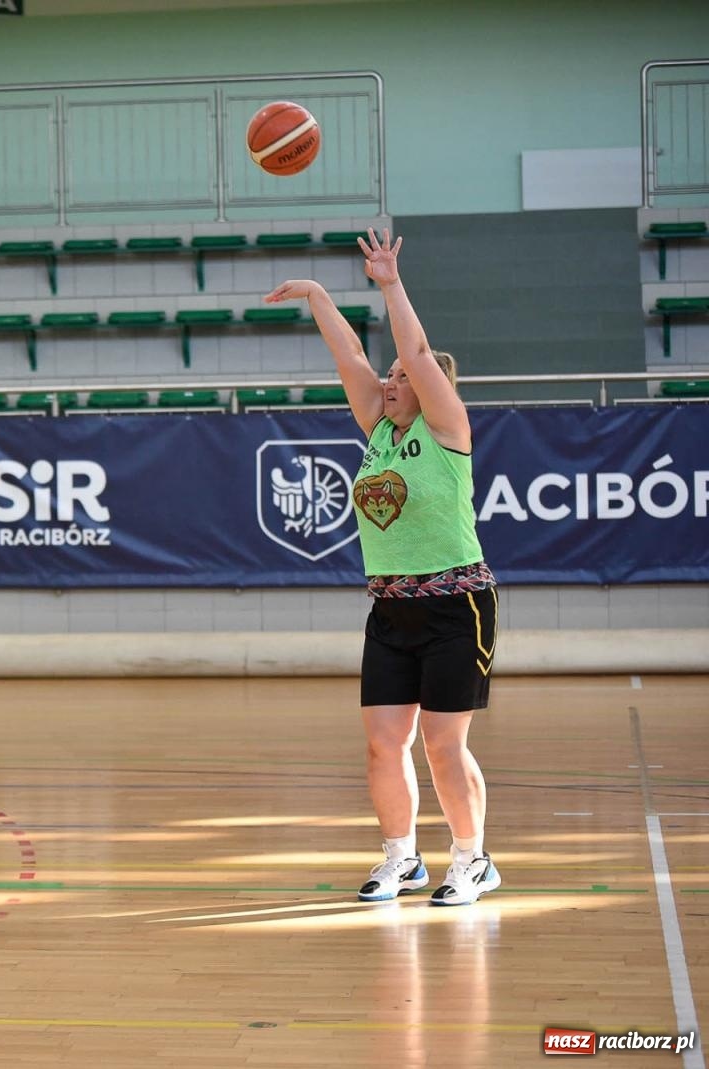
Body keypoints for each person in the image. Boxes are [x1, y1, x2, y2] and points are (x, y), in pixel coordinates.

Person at [265, 227, 500, 907]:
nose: (389, 382)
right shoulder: (380, 433)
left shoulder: (447, 430)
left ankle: (472, 859)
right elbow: (349, 356)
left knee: (443, 745)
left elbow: (416, 352)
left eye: (400, 378)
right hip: (391, 607)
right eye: (389, 377)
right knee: (383, 745)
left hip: (457, 604)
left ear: (430, 389)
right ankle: (403, 858)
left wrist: (390, 284)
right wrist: (317, 294)